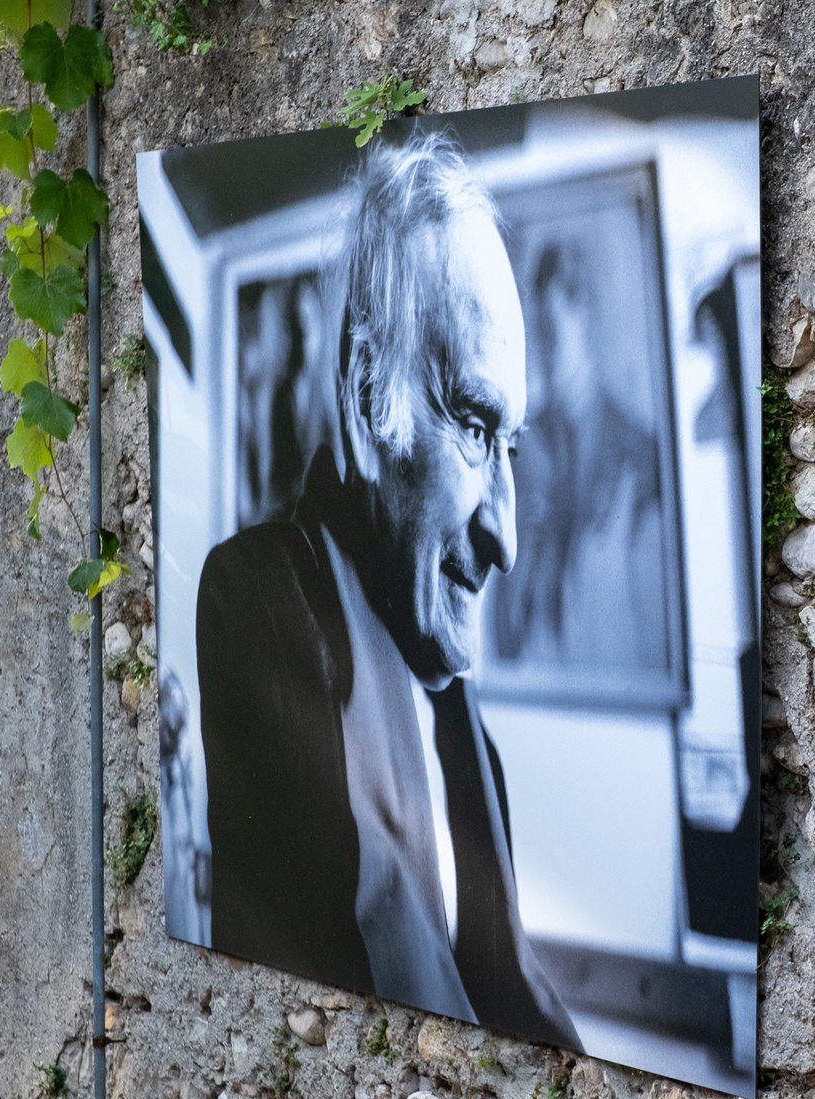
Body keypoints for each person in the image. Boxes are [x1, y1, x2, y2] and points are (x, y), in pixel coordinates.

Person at [196, 131, 578, 1051]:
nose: (508, 539)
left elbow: (507, 989)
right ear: (371, 398)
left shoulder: (461, 725)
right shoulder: (265, 604)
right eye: (475, 427)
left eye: (511, 446)